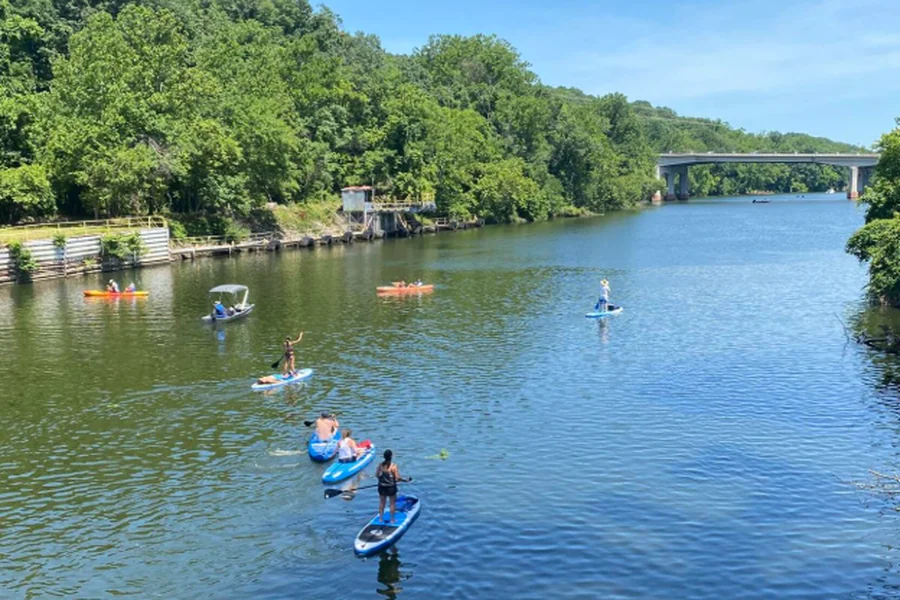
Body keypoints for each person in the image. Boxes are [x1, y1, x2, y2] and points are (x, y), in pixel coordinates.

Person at [376, 449, 408, 523]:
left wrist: (382, 481)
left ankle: (380, 519)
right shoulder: (393, 466)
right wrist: (405, 480)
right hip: (391, 488)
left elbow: (377, 475)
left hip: (381, 487)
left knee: (382, 502)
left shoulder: (380, 465)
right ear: (391, 457)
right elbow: (397, 478)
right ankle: (392, 520)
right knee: (392, 503)